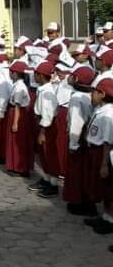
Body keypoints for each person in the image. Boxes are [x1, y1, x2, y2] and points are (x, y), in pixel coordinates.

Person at [63, 65, 97, 216]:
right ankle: (88, 201)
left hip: (80, 137)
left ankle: (79, 202)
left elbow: (76, 122)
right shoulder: (90, 95)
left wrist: (73, 143)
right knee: (87, 171)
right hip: (88, 136)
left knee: (77, 171)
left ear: (76, 79)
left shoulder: (77, 98)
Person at [82, 77, 113, 234]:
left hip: (102, 152)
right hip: (93, 150)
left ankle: (110, 220)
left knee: (108, 188)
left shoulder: (108, 114)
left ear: (102, 94)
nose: (91, 94)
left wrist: (104, 163)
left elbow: (108, 141)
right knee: (100, 186)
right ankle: (105, 216)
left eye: (94, 92)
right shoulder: (100, 110)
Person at [28, 60, 60, 198]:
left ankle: (53, 184)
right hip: (42, 124)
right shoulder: (43, 90)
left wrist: (42, 132)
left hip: (46, 127)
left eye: (35, 74)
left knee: (49, 154)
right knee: (43, 155)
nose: (34, 76)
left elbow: (47, 115)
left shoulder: (47, 92)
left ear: (40, 75)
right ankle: (46, 179)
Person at [5, 60, 34, 177]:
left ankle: (20, 167)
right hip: (17, 112)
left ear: (15, 73)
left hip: (18, 114)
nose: (10, 74)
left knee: (19, 141)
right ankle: (16, 165)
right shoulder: (17, 85)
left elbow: (17, 106)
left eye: (11, 72)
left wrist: (15, 123)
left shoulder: (19, 87)